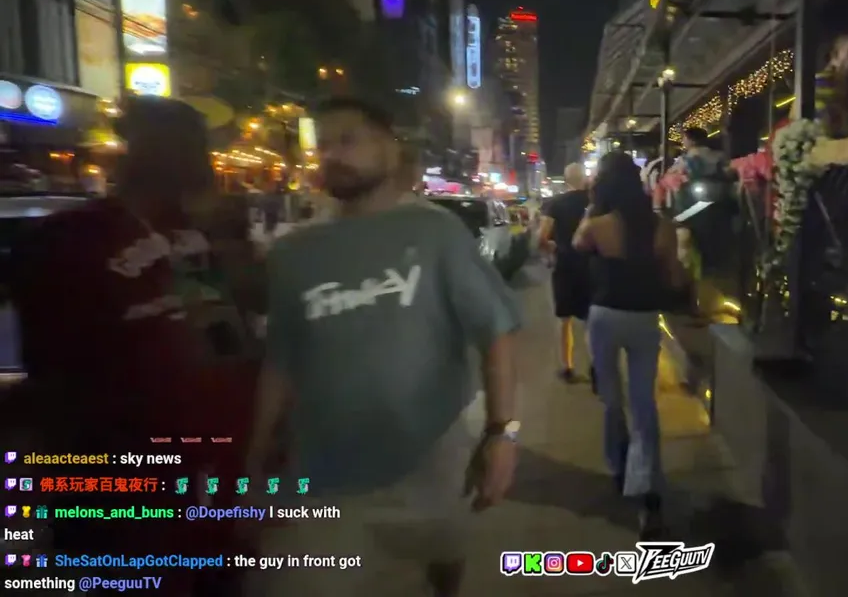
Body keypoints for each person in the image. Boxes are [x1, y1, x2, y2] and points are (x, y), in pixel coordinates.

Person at [243, 96, 521, 597]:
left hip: (432, 458)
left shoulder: (436, 232)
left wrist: (503, 434)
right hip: (322, 478)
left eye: (348, 140)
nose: (332, 154)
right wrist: (255, 454)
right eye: (324, 144)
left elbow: (495, 330)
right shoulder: (295, 253)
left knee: (445, 561)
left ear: (390, 150)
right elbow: (281, 361)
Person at [11, 97, 261, 594]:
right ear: (142, 151)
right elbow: (54, 375)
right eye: (188, 148)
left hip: (212, 484)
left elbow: (235, 331)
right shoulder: (68, 239)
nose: (203, 164)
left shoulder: (198, 235)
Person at [572, 151, 689, 538]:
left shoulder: (597, 224)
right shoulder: (662, 227)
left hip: (604, 316)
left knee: (611, 398)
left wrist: (592, 206)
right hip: (644, 318)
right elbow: (674, 279)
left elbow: (576, 245)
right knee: (643, 404)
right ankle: (647, 493)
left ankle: (617, 466)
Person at [538, 162, 591, 382]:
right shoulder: (595, 202)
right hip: (591, 267)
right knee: (590, 319)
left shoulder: (555, 204)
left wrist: (551, 249)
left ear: (566, 180)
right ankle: (596, 366)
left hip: (565, 266)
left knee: (564, 319)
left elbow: (541, 237)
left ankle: (568, 366)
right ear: (584, 179)